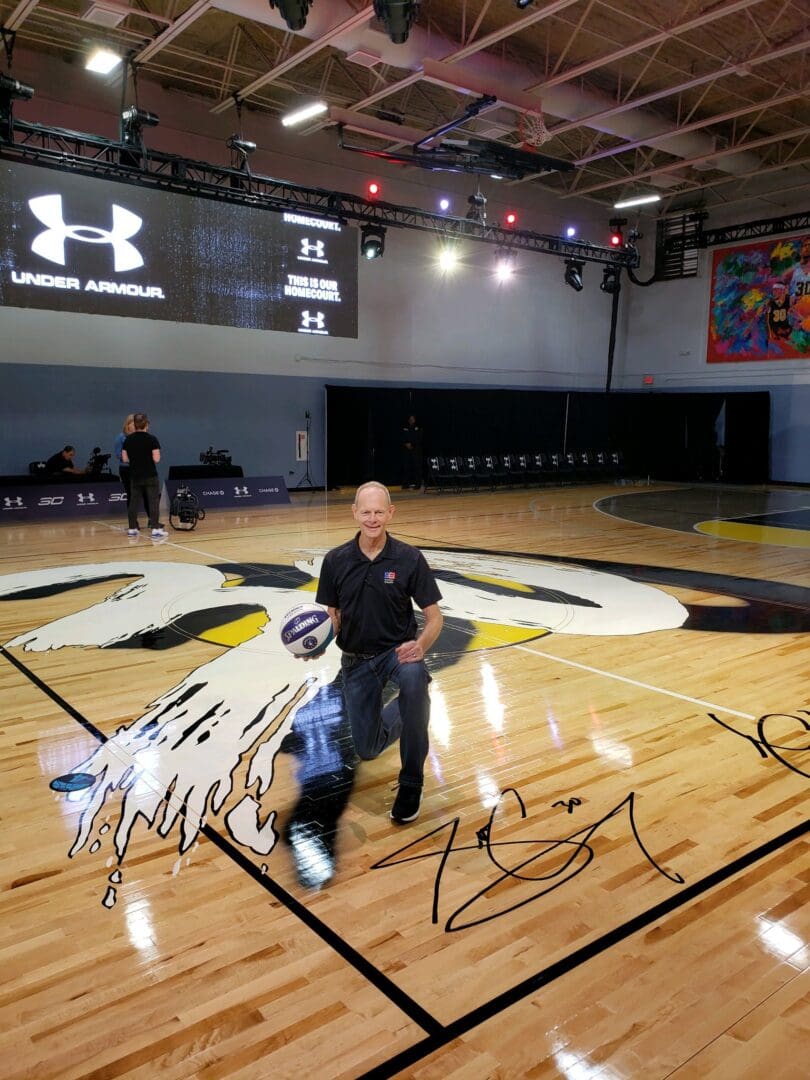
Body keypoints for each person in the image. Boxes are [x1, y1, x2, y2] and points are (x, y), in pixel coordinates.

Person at [315, 481, 443, 824]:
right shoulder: (335, 561)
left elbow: (434, 617)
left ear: (390, 513)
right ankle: (411, 709)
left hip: (396, 653)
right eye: (366, 512)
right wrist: (317, 644)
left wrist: (421, 645)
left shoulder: (409, 558)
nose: (373, 519)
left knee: (415, 680)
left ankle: (411, 783)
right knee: (368, 749)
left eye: (379, 512)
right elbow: (333, 618)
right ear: (355, 513)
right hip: (356, 662)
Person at [122, 412, 167, 538]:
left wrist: (136, 459)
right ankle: (155, 529)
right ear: (146, 424)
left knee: (133, 502)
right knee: (153, 501)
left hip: (135, 475)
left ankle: (132, 528)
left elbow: (125, 459)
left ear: (134, 425)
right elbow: (157, 459)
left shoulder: (128, 440)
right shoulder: (152, 439)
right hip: (150, 475)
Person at [401, 414, 423, 489]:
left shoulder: (418, 428)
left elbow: (419, 438)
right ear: (408, 420)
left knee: (417, 467)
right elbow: (402, 436)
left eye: (412, 419)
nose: (411, 420)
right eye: (410, 419)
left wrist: (412, 444)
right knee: (406, 467)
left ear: (415, 420)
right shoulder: (405, 428)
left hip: (416, 450)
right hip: (406, 450)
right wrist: (406, 443)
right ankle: (405, 484)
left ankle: (418, 484)